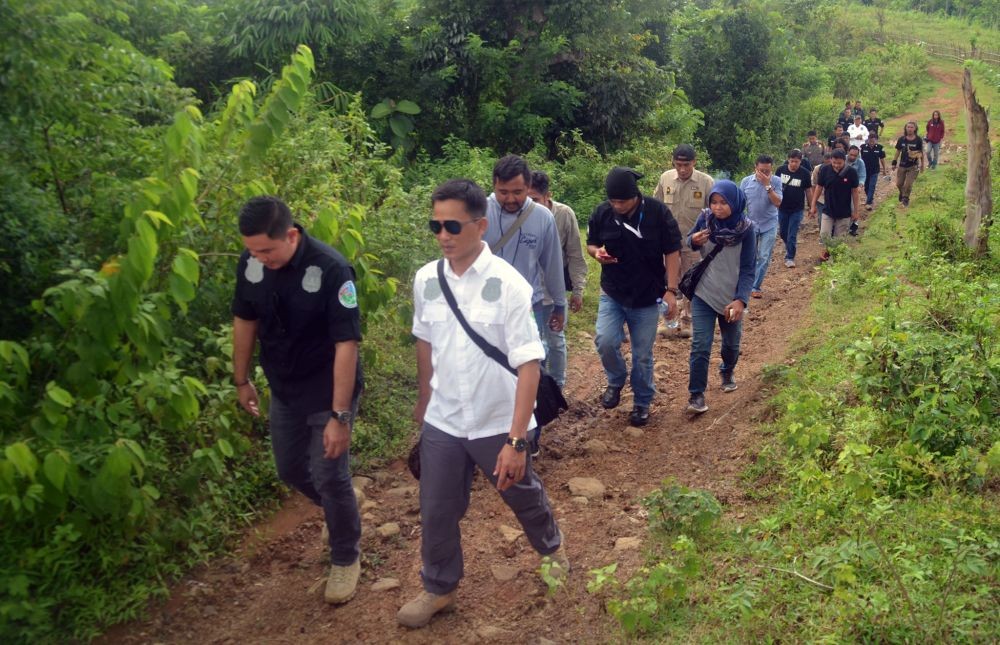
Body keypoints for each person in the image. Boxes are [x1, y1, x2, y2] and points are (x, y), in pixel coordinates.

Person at [400, 179, 567, 628]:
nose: (442, 235)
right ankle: (439, 587)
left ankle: (551, 547)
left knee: (520, 492)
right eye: (434, 225)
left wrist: (516, 439)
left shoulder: (508, 285)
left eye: (452, 225)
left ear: (480, 224)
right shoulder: (425, 281)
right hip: (445, 418)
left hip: (497, 416)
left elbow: (529, 364)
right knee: (436, 508)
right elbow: (424, 340)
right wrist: (424, 396)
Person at [231, 196, 364, 605]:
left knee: (329, 475)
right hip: (284, 387)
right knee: (289, 468)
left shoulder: (331, 269)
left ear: (291, 235)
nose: (260, 258)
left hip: (328, 390)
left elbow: (346, 344)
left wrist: (340, 416)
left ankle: (345, 556)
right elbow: (244, 317)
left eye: (267, 250)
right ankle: (341, 503)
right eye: (254, 250)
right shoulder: (252, 261)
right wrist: (241, 379)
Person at [587, 167, 682, 427]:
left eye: (622, 201)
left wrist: (671, 291)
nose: (616, 205)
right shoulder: (602, 213)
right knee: (605, 340)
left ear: (636, 196)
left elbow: (673, 251)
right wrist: (597, 254)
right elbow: (591, 243)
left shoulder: (657, 213)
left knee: (642, 354)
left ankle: (642, 401)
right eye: (612, 201)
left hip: (647, 295)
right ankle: (616, 381)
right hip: (613, 291)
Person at [484, 155, 565, 455]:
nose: (510, 199)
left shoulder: (542, 218)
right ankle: (490, 436)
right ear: (493, 187)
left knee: (531, 370)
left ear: (529, 187)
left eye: (517, 192)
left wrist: (560, 304)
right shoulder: (480, 213)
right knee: (490, 370)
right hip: (484, 309)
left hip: (529, 308)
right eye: (503, 192)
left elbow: (552, 264)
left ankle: (530, 437)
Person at [684, 180, 755, 414]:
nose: (717, 207)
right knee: (700, 345)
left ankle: (727, 370)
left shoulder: (746, 229)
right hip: (705, 292)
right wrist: (693, 241)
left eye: (723, 202)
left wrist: (740, 300)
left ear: (734, 203)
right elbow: (689, 240)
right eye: (714, 202)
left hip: (731, 297)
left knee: (731, 345)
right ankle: (696, 394)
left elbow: (748, 269)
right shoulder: (705, 219)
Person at [527, 170, 588, 389]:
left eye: (534, 200)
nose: (529, 205)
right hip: (526, 294)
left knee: (555, 340)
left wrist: (578, 290)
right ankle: (537, 389)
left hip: (553, 291)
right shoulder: (518, 216)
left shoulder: (563, 215)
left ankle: (558, 388)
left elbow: (574, 254)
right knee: (532, 343)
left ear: (547, 196)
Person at [653, 143, 714, 339]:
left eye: (686, 164)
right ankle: (667, 320)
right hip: (668, 242)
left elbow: (713, 212)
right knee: (667, 281)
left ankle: (687, 320)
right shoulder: (665, 178)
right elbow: (656, 206)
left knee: (690, 282)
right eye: (678, 164)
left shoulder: (705, 182)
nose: (682, 169)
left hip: (693, 242)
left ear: (694, 162)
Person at [738, 155, 782, 299]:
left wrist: (767, 185)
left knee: (763, 256)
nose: (764, 174)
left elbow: (778, 203)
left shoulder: (776, 181)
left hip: (769, 224)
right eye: (761, 171)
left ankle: (755, 286)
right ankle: (745, 284)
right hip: (751, 224)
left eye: (767, 171)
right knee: (749, 256)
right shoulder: (746, 182)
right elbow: (740, 203)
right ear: (755, 169)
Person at [810, 149, 860, 260]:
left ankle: (835, 261)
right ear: (831, 160)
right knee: (825, 236)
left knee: (839, 239)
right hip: (828, 210)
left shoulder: (851, 172)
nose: (836, 165)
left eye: (839, 163)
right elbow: (819, 188)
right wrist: (813, 205)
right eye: (834, 163)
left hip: (844, 212)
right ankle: (827, 254)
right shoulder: (824, 170)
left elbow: (855, 192)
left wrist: (856, 211)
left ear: (844, 161)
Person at [775, 150, 812, 268]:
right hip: (782, 207)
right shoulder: (780, 170)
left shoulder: (805, 174)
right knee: (783, 232)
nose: (794, 164)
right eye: (792, 161)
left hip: (797, 208)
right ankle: (789, 247)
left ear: (800, 161)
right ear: (788, 160)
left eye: (796, 162)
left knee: (792, 233)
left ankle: (790, 257)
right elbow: (774, 186)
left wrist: (812, 206)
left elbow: (808, 191)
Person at [892, 121, 924, 207]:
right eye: (908, 127)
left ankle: (906, 198)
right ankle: (902, 193)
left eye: (911, 127)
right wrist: (894, 162)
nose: (909, 129)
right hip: (902, 164)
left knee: (908, 184)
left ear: (915, 129)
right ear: (905, 128)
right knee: (899, 184)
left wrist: (922, 165)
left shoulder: (918, 140)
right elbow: (898, 151)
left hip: (913, 166)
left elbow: (921, 153)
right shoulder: (901, 139)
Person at [860, 133, 887, 210]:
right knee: (866, 187)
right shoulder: (863, 147)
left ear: (876, 140)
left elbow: (882, 159)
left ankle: (868, 203)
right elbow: (860, 158)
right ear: (868, 139)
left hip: (875, 170)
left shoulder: (880, 148)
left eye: (873, 139)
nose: (871, 141)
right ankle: (870, 198)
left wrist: (884, 169)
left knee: (872, 186)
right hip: (865, 170)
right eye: (870, 139)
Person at [846, 146, 867, 236]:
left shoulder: (860, 162)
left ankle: (854, 226)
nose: (853, 157)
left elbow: (862, 175)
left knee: (854, 206)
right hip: (842, 187)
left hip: (854, 187)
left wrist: (860, 185)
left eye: (855, 155)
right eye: (851, 155)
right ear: (848, 153)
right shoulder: (842, 160)